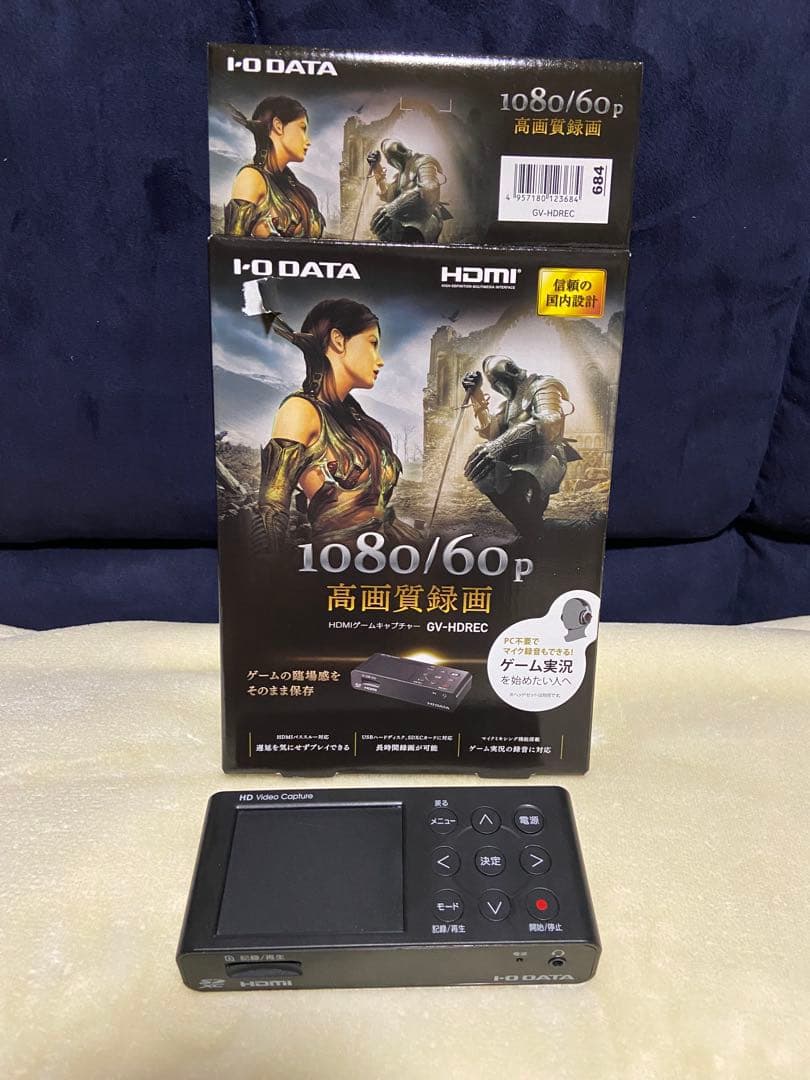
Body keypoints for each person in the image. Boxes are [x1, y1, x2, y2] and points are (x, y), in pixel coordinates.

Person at [256, 299, 418, 550]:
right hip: (338, 560)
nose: (380, 360)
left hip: (388, 552)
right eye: (373, 344)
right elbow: (271, 513)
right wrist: (266, 571)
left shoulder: (358, 420)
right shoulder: (301, 411)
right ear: (338, 340)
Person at [461, 355, 580, 541]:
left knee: (528, 489)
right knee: (484, 474)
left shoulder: (543, 386)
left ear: (510, 372)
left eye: (497, 382)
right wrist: (476, 395)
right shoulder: (506, 405)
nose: (498, 387)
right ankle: (536, 532)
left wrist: (500, 445)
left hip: (546, 457)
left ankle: (537, 532)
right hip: (517, 459)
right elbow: (491, 433)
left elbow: (548, 422)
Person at [225, 96, 325, 238]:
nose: (308, 141)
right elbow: (233, 245)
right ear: (278, 126)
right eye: (302, 128)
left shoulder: (301, 191)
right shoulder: (252, 178)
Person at [366, 139, 451, 243]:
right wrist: (376, 167)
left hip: (426, 217)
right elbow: (388, 195)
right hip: (405, 220)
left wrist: (394, 208)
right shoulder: (399, 176)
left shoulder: (423, 162)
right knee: (385, 222)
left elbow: (429, 189)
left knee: (413, 235)